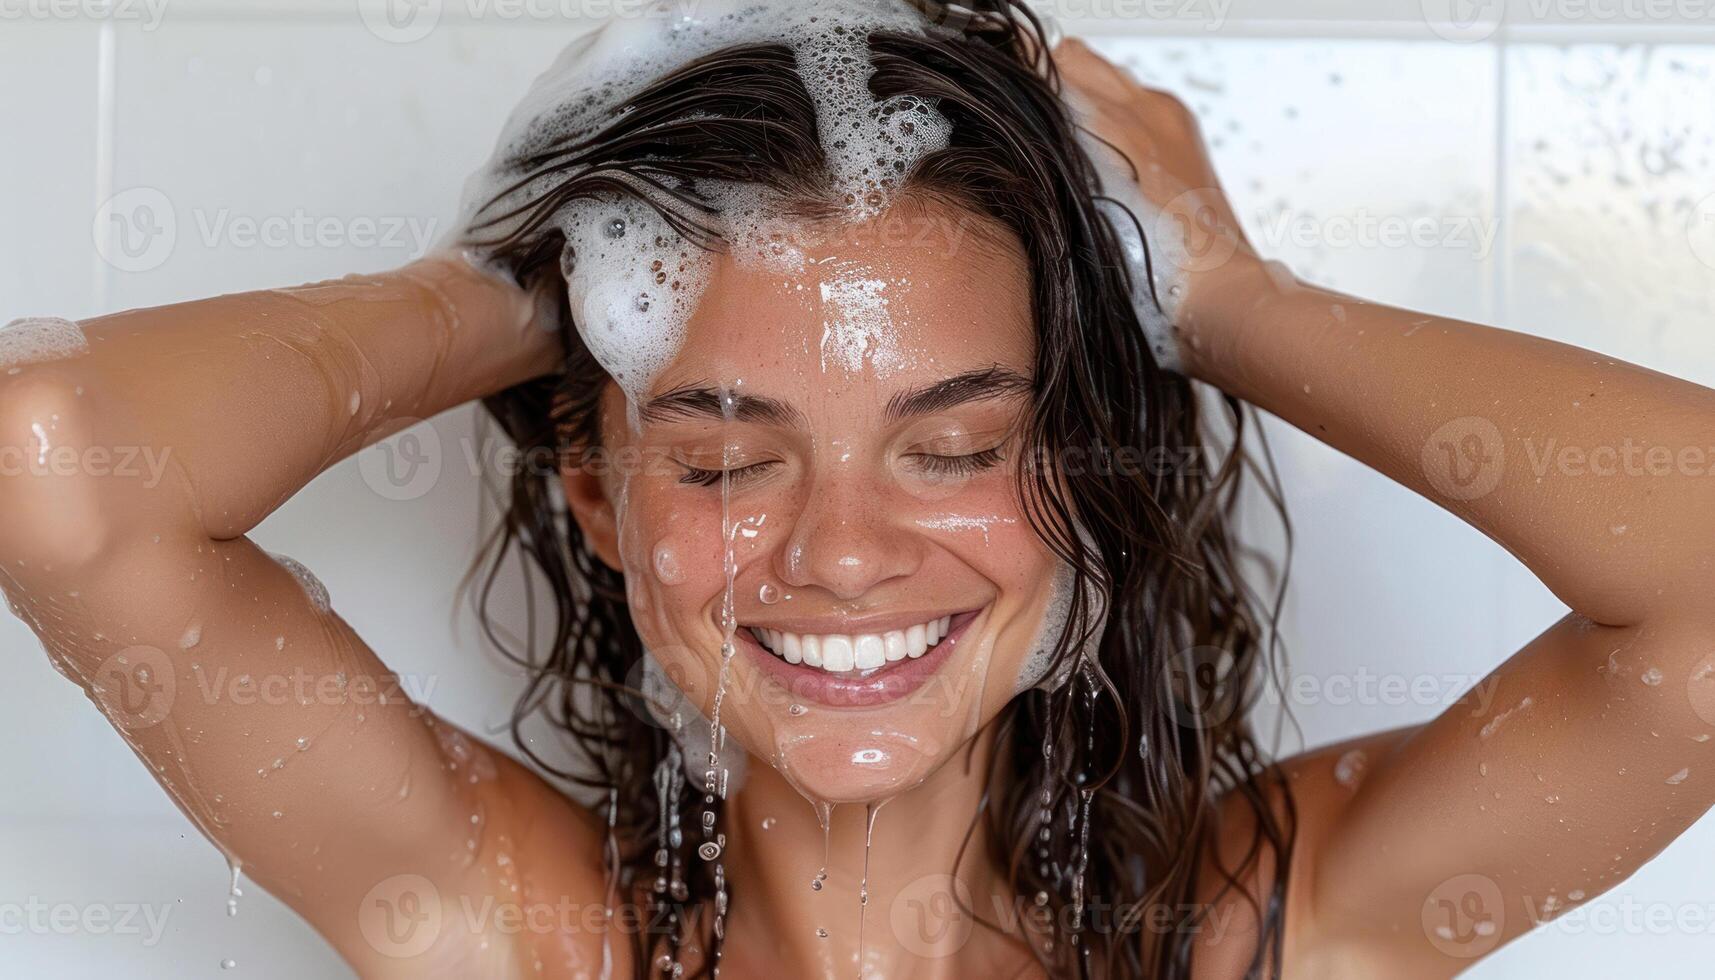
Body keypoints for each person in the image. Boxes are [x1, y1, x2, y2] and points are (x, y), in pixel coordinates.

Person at [3, 3, 1713, 977]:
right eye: (728, 458)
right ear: (597, 500)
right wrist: (526, 285)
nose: (839, 553)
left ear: (1086, 489)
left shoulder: (1270, 934)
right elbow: (51, 452)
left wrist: (1227, 304)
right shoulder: (524, 939)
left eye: (959, 450)